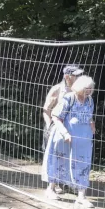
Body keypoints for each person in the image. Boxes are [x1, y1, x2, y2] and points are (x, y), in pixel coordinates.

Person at [42, 75, 97, 207]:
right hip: (65, 137)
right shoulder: (69, 98)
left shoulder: (90, 100)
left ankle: (81, 196)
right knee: (59, 160)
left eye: (91, 88)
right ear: (79, 87)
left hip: (83, 139)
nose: (88, 91)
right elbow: (56, 116)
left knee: (83, 164)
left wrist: (92, 124)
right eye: (86, 88)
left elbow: (89, 116)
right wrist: (65, 132)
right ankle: (51, 188)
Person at [42, 65, 84, 193]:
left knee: (71, 156)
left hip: (72, 130)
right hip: (56, 127)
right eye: (76, 75)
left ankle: (67, 183)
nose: (79, 77)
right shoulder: (57, 89)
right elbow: (46, 109)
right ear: (67, 77)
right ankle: (52, 185)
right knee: (54, 155)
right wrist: (49, 126)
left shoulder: (79, 90)